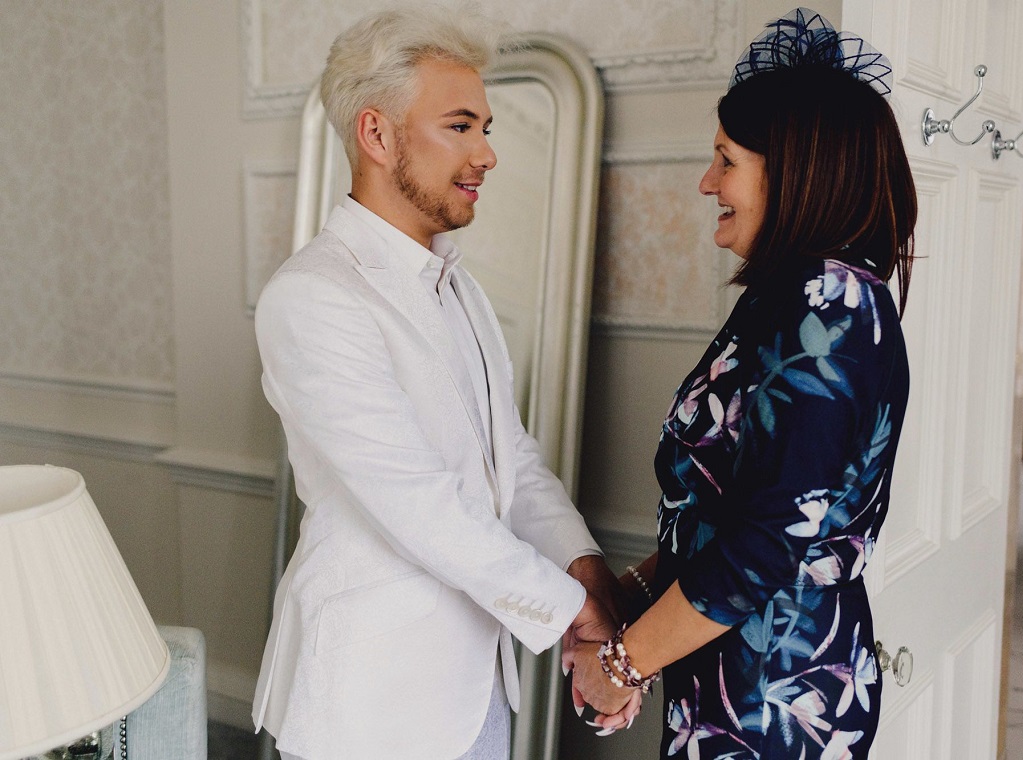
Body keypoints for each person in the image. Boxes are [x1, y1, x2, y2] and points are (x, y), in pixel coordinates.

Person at [250, 7, 621, 759]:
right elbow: (418, 504)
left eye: (487, 128)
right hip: (373, 700)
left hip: (478, 681)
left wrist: (587, 570)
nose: (486, 153)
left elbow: (509, 456)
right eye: (461, 126)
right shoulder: (313, 297)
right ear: (378, 135)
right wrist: (574, 611)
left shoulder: (459, 285)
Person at [565, 9, 917, 759]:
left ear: (793, 170)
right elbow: (732, 507)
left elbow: (766, 543)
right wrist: (627, 596)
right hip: (736, 673)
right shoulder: (787, 299)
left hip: (776, 696)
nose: (706, 182)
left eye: (726, 160)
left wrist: (623, 664)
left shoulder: (836, 307)